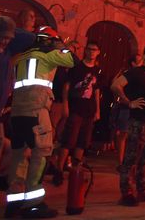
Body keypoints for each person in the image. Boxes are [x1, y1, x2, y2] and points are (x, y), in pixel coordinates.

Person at [6, 26, 76, 218]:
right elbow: (72, 61)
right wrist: (61, 45)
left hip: (17, 113)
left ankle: (14, 201)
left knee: (19, 155)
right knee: (41, 154)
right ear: (48, 40)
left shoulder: (20, 58)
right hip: (37, 111)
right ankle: (33, 204)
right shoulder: (48, 54)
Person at [111, 44, 145, 206]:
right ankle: (126, 193)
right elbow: (115, 85)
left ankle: (143, 190)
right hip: (139, 121)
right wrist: (128, 102)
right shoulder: (136, 72)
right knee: (131, 158)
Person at [0, 17, 35, 193]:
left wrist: (8, 26)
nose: (3, 41)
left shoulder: (8, 49)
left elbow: (30, 38)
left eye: (7, 38)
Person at [51, 40, 101, 186]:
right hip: (76, 109)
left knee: (82, 143)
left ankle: (76, 171)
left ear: (98, 53)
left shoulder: (98, 71)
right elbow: (66, 87)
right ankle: (59, 170)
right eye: (89, 49)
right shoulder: (76, 68)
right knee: (68, 141)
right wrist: (66, 105)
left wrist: (97, 110)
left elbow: (97, 91)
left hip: (89, 111)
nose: (92, 52)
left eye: (95, 50)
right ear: (85, 51)